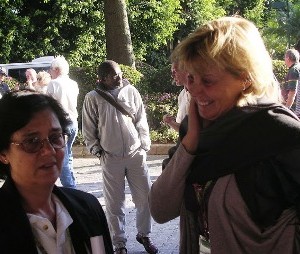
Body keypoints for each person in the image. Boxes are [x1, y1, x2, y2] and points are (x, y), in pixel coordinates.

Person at [149, 16, 300, 254]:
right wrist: (188, 145)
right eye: (191, 78)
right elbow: (160, 210)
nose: (194, 90)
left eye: (207, 80)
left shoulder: (281, 135)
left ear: (245, 78)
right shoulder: (196, 130)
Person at [0, 90, 114, 253]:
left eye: (55, 138)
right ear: (3, 153)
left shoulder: (88, 208)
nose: (48, 151)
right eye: (32, 141)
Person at [82, 60, 158, 254]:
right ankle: (119, 244)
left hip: (135, 154)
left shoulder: (131, 91)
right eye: (114, 75)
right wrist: (97, 150)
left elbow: (141, 118)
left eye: (119, 73)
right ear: (103, 78)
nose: (119, 77)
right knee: (115, 204)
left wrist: (144, 145)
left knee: (146, 198)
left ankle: (144, 235)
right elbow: (88, 127)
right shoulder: (92, 98)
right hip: (111, 157)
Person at [47, 56, 79, 189]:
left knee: (63, 158)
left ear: (57, 70)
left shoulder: (54, 84)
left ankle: (70, 189)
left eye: (51, 69)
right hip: (73, 121)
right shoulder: (73, 83)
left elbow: (47, 103)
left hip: (61, 123)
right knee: (68, 155)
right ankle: (72, 185)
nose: (50, 72)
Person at [163, 61, 190, 132]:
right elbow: (183, 130)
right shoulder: (182, 95)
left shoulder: (200, 94)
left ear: (186, 71)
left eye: (175, 71)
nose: (172, 75)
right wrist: (170, 122)